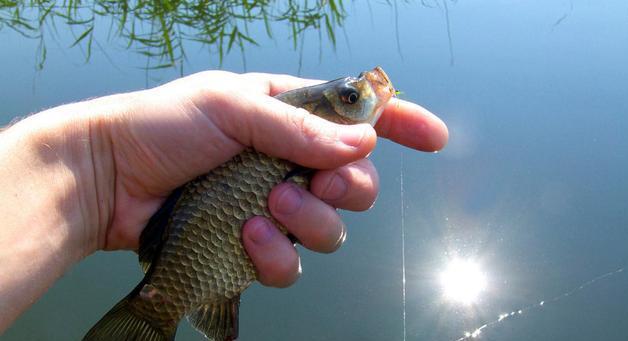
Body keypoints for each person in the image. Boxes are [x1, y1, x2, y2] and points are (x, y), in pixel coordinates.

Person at [0, 70, 448, 332]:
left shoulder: (290, 125)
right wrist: (104, 165)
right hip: (183, 237)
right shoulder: (284, 127)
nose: (362, 96)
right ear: (317, 119)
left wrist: (102, 167)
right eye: (350, 98)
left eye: (351, 98)